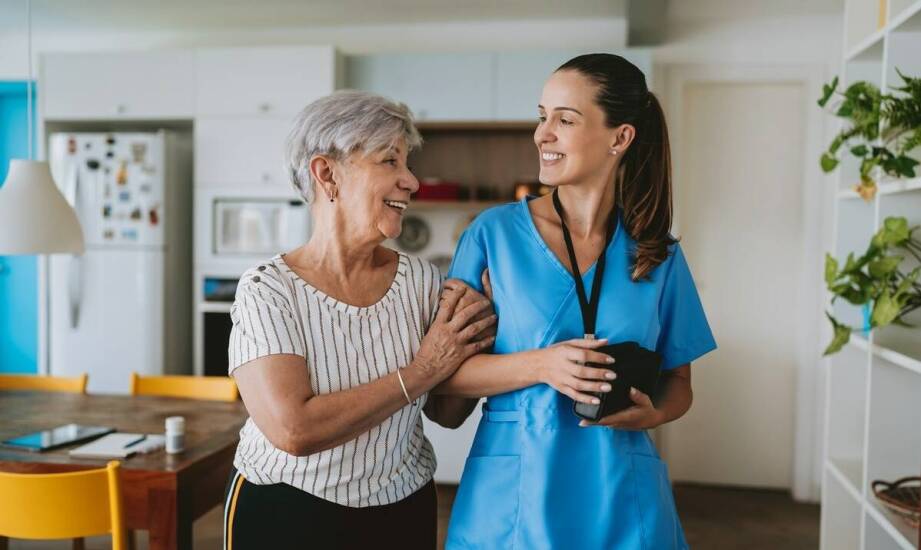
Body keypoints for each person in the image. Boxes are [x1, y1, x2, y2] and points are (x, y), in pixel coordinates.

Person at [439, 53, 717, 549]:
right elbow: (444, 398)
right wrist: (542, 365)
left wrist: (651, 415)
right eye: (542, 116)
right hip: (513, 502)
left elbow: (679, 385)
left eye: (564, 119)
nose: (542, 133)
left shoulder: (657, 253)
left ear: (620, 137)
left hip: (623, 497)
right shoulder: (491, 237)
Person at [223, 90, 492, 549]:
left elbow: (446, 413)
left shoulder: (423, 283)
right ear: (327, 174)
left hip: (402, 509)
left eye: (407, 164)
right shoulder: (267, 290)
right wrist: (423, 369)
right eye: (390, 161)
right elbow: (294, 430)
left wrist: (480, 331)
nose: (412, 181)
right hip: (285, 512)